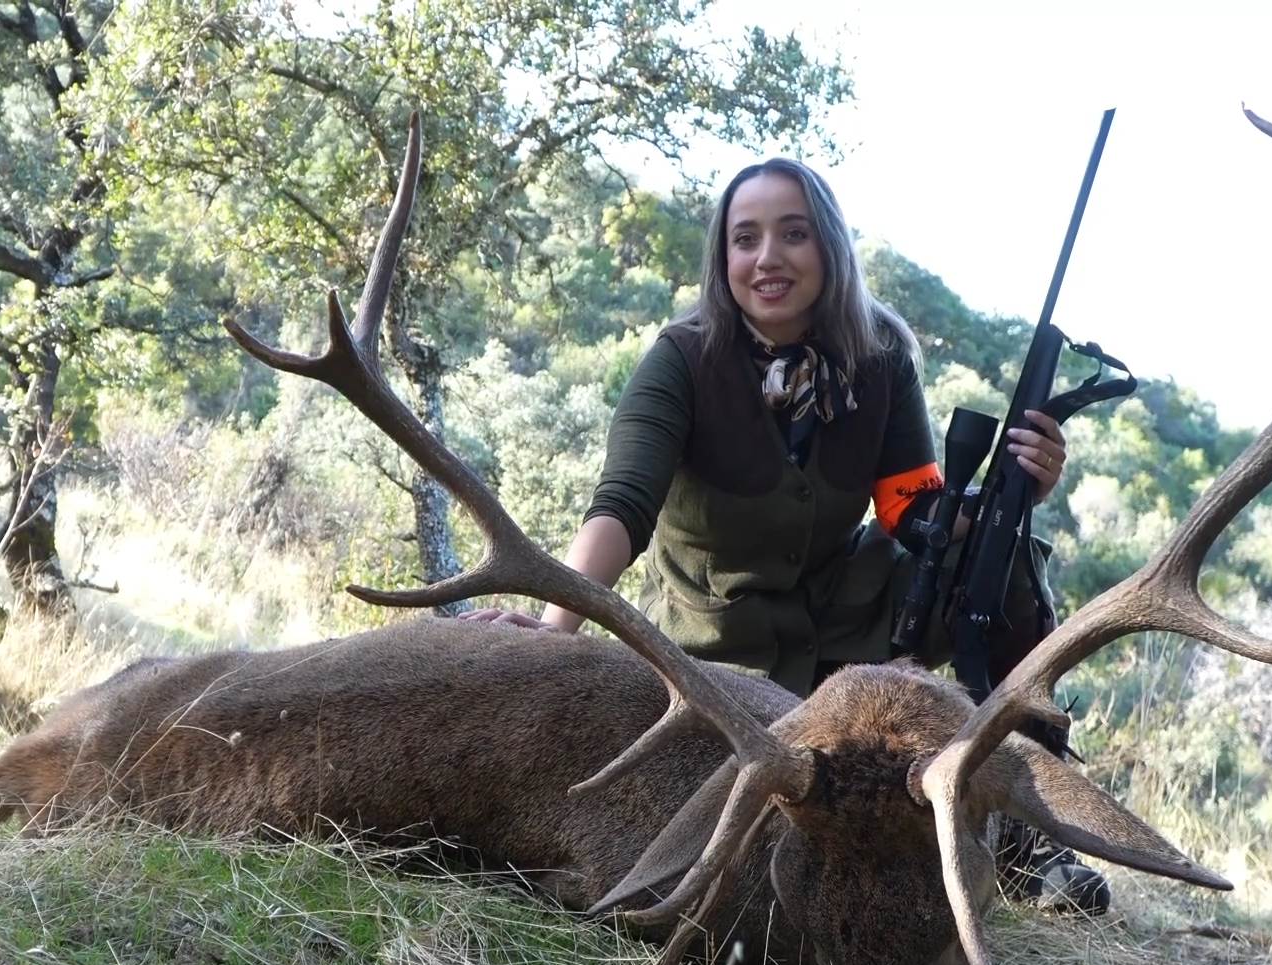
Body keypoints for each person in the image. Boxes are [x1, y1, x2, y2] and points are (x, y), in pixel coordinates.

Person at [461, 156, 1110, 915]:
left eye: (793, 234)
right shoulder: (681, 360)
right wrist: (554, 628)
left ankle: (1032, 840)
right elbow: (622, 508)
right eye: (746, 239)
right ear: (723, 258)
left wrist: (1007, 498)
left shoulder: (880, 357)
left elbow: (910, 508)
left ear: (828, 247)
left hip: (844, 621)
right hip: (719, 647)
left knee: (1003, 566)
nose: (767, 258)